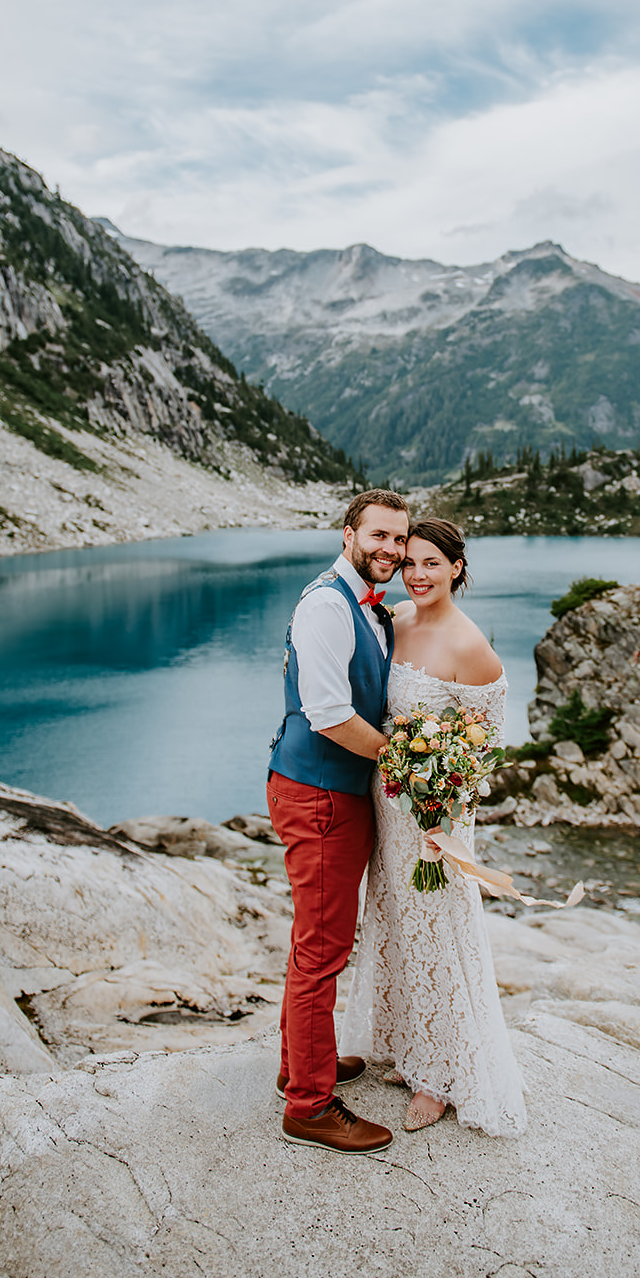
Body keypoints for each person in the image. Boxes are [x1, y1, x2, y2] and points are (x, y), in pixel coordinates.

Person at [340, 517, 527, 1137]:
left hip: (433, 823)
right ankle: (411, 1045)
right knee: (394, 918)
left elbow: (486, 750)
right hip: (386, 804)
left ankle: (442, 1078)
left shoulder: (471, 646)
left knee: (439, 935)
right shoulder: (395, 619)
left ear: (457, 569)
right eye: (410, 562)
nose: (417, 574)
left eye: (431, 564)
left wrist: (440, 805)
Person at [267, 488, 410, 1154]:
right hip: (320, 793)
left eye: (399, 539)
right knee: (321, 949)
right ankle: (310, 1105)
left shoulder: (365, 604)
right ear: (348, 533)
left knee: (316, 942)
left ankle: (302, 1064)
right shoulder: (328, 605)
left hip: (331, 791)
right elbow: (327, 713)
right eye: (377, 536)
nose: (390, 549)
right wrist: (405, 763)